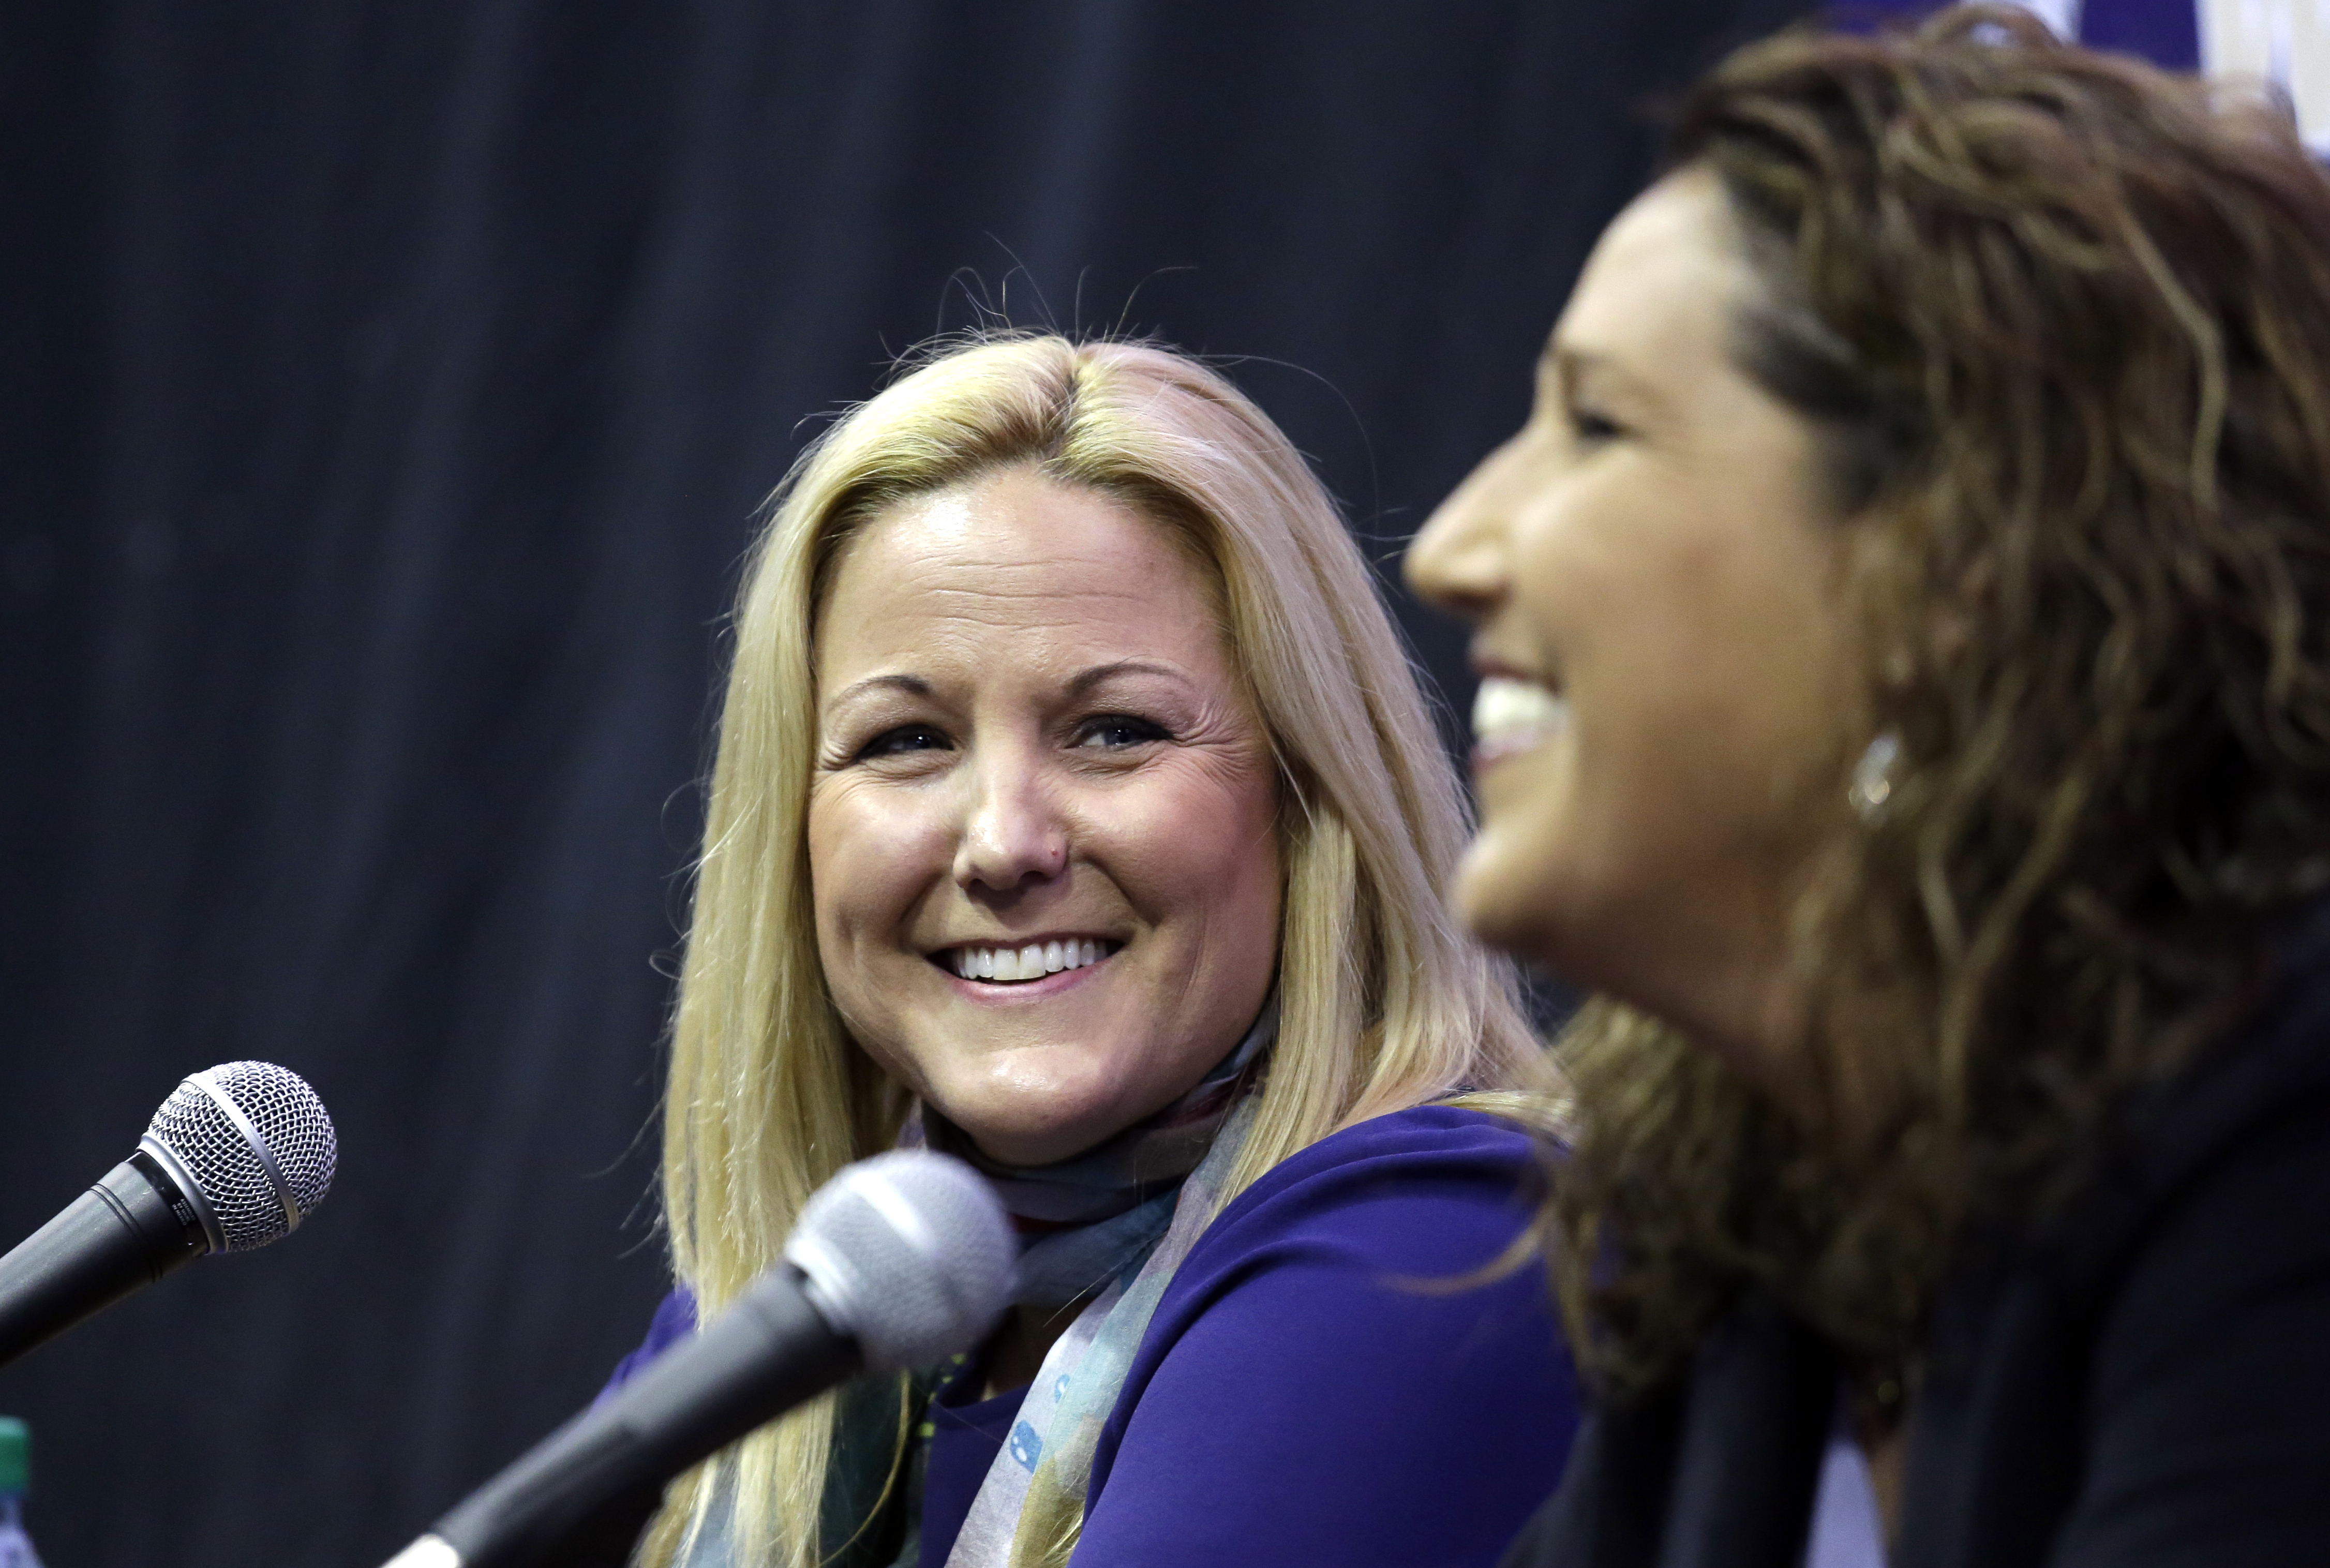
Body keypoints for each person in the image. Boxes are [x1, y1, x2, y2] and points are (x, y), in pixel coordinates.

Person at [1406, 8, 2330, 1567]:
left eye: (1597, 424)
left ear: (1953, 560)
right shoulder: (1761, 1228)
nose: (1448, 546)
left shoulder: (2287, 1128)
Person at [608, 334, 1578, 1568]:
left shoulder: (1437, 1240)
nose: (1003, 843)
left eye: (1113, 731)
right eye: (906, 741)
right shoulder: (833, 1300)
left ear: (1305, 797)